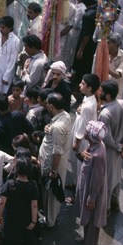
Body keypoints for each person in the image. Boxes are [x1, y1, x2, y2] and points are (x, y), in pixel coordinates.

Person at [0, 158, 41, 245]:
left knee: (9, 241)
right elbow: (34, 206)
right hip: (26, 219)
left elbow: (1, 202)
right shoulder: (32, 185)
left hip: (11, 219)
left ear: (16, 169)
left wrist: (0, 216)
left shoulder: (10, 184)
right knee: (30, 239)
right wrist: (33, 221)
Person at [72, 121, 108, 245]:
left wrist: (91, 198)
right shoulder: (95, 145)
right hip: (87, 188)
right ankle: (87, 240)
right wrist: (82, 154)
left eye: (87, 132)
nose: (85, 133)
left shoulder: (97, 155)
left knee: (92, 220)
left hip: (92, 192)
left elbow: (98, 179)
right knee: (88, 218)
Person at [97, 81, 123, 214]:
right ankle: (115, 203)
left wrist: (118, 147)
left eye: (101, 91)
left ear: (108, 95)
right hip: (119, 147)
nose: (99, 93)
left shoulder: (105, 113)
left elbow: (106, 137)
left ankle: (106, 208)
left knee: (106, 180)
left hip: (109, 150)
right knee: (117, 177)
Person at [38, 93, 72, 228]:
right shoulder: (65, 116)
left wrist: (53, 171)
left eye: (47, 103)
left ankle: (50, 220)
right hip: (58, 162)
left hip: (53, 164)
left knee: (50, 193)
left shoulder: (58, 127)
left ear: (51, 106)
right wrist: (49, 129)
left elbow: (56, 153)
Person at [0, 16, 20, 98]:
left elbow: (13, 61)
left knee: (4, 95)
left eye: (3, 27)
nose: (1, 29)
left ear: (10, 28)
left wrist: (6, 77)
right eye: (0, 27)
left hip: (6, 71)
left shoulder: (15, 41)